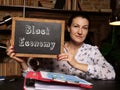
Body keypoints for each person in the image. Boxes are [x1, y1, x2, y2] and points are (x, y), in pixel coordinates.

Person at [6, 13, 115, 80]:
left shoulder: (92, 51)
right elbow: (34, 76)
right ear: (68, 28)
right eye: (76, 26)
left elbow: (111, 73)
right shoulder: (54, 47)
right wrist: (22, 63)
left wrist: (76, 64)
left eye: (85, 28)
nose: (80, 32)